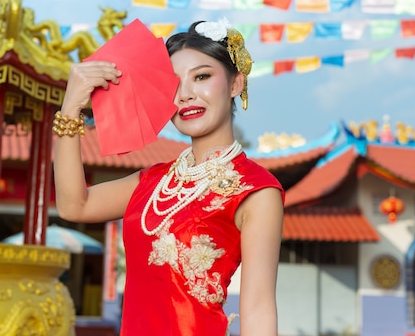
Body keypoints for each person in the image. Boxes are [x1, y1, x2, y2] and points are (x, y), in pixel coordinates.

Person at [53, 18, 285, 336]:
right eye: (174, 85)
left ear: (235, 84)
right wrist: (69, 112)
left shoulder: (255, 190)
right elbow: (73, 206)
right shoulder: (151, 181)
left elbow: (257, 309)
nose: (186, 95)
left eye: (201, 77)